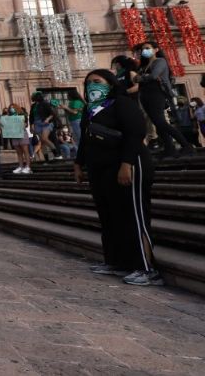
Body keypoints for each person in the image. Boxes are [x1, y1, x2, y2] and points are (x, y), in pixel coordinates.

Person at [73, 69, 160, 286]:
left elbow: (135, 132)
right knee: (110, 215)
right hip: (100, 167)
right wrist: (78, 163)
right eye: (89, 82)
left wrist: (126, 163)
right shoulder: (90, 109)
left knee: (134, 215)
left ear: (110, 84)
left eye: (97, 81)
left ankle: (146, 267)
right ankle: (116, 261)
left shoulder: (122, 103)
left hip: (128, 163)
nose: (92, 85)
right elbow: (85, 138)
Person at [135, 41, 193, 157]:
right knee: (157, 123)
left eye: (147, 48)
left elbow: (154, 76)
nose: (144, 51)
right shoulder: (144, 65)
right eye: (143, 49)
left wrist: (142, 78)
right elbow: (136, 78)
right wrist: (143, 77)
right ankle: (169, 148)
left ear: (156, 49)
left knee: (161, 121)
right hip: (145, 95)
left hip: (157, 93)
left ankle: (186, 145)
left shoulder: (160, 61)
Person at [1, 104, 31, 174]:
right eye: (10, 108)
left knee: (25, 151)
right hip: (14, 134)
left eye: (13, 107)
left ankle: (28, 167)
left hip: (22, 133)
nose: (11, 109)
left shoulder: (22, 114)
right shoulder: (9, 116)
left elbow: (26, 124)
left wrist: (22, 124)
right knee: (18, 152)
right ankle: (20, 166)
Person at [30, 92, 58, 161]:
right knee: (42, 142)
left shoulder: (45, 103)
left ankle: (56, 153)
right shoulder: (33, 106)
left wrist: (48, 119)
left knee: (44, 138)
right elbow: (31, 116)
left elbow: (52, 113)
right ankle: (46, 158)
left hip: (46, 123)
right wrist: (31, 125)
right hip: (37, 123)